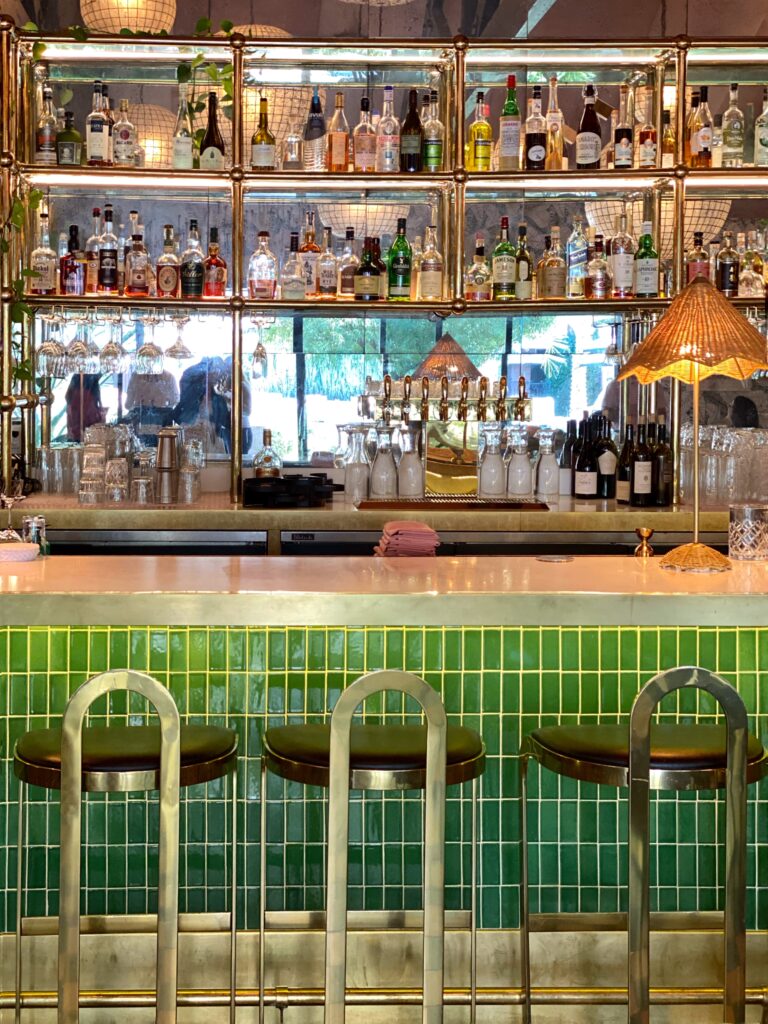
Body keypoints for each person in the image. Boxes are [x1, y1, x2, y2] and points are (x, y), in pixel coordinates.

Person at [65, 373, 105, 441]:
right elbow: (89, 419)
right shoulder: (83, 395)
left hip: (78, 437)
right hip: (84, 438)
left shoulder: (75, 394)